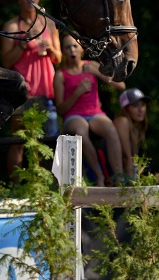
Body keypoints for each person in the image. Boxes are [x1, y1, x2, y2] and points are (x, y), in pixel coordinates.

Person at [0, 0, 61, 183]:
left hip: (46, 92)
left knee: (47, 142)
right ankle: (16, 189)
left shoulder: (49, 24)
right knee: (19, 141)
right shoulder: (11, 27)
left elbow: (58, 59)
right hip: (22, 92)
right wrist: (23, 44)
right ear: (18, 0)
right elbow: (6, 62)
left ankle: (44, 187)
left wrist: (51, 49)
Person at [54, 33, 125, 186]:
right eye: (67, 47)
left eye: (75, 46)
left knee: (111, 130)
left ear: (81, 50)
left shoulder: (92, 65)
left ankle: (119, 178)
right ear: (63, 52)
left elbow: (121, 86)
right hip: (73, 115)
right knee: (81, 131)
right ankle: (99, 176)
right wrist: (77, 93)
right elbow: (60, 109)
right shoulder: (60, 75)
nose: (72, 50)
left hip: (95, 113)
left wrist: (98, 73)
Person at [113, 87, 150, 181]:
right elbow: (127, 157)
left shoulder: (136, 130)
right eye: (135, 106)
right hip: (115, 178)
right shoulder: (122, 121)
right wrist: (132, 187)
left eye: (143, 105)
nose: (141, 109)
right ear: (126, 109)